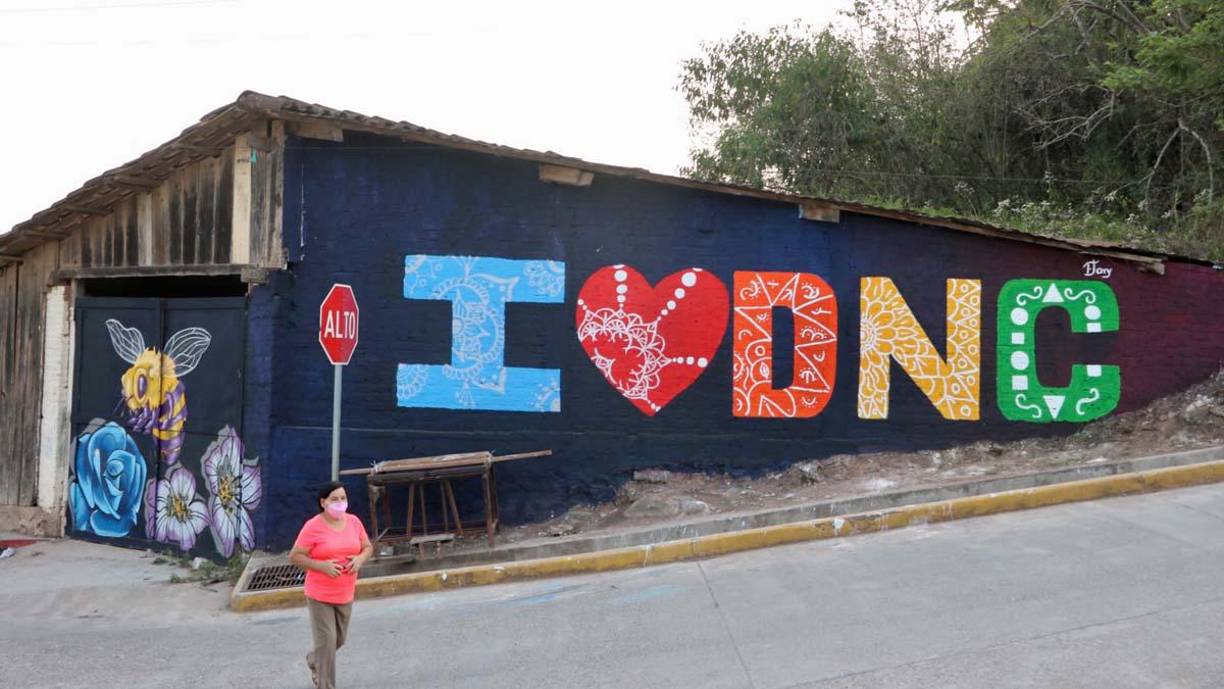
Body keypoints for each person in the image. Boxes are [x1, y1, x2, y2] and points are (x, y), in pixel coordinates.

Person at [290, 481, 373, 689]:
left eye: (343, 498)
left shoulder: (354, 522)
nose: (339, 503)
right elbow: (295, 557)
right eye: (334, 499)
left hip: (345, 592)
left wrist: (360, 560)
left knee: (339, 640)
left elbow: (367, 547)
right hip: (319, 594)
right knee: (327, 642)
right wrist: (322, 566)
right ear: (323, 502)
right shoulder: (313, 526)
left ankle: (314, 660)